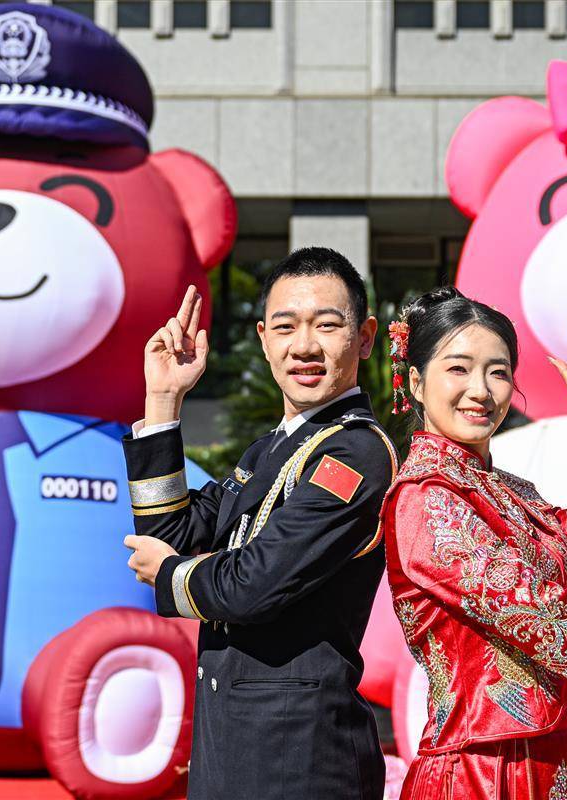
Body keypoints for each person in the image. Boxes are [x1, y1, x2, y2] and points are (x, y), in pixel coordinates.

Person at [121, 247, 397, 799]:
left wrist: (169, 573)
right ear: (264, 339)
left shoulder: (356, 452)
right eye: (286, 326)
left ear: (365, 338)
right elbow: (170, 535)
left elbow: (254, 585)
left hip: (300, 757)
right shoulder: (269, 448)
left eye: (327, 325)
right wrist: (163, 401)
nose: (305, 346)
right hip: (233, 744)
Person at [382, 287, 567, 800]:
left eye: (497, 372)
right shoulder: (423, 497)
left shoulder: (514, 494)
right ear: (416, 382)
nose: (480, 390)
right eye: (458, 369)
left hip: (556, 756)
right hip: (479, 768)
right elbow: (538, 615)